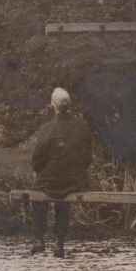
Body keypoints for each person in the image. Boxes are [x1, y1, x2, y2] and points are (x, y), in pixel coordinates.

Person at [30, 88, 93, 258]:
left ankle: (39, 238)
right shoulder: (83, 126)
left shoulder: (46, 128)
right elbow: (88, 158)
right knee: (64, 195)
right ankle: (60, 242)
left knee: (37, 191)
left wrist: (39, 172)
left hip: (51, 181)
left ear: (53, 105)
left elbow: (37, 161)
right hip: (75, 181)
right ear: (70, 105)